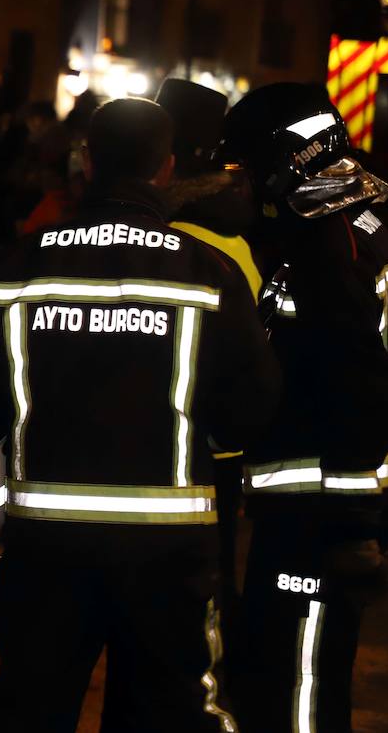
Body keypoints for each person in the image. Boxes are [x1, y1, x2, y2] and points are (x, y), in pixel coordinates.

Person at [0, 97, 280, 731]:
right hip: (167, 550)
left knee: (29, 708)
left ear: (87, 160)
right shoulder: (207, 271)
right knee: (167, 711)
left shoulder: (19, 262)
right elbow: (252, 407)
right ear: (167, 168)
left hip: (44, 541)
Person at [218, 84, 388, 732]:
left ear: (281, 154)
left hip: (321, 504)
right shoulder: (358, 200)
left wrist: (352, 522)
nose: (242, 181)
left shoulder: (329, 232)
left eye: (242, 165)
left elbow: (359, 375)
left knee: (301, 683)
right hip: (318, 495)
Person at [155, 78, 261, 662]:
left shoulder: (187, 230)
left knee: (198, 597)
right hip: (211, 437)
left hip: (186, 436)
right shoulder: (233, 221)